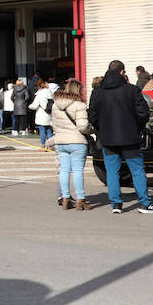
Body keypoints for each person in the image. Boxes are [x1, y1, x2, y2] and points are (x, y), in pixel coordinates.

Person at [87, 60, 153, 214]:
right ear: (122, 72)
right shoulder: (131, 90)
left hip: (108, 138)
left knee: (112, 171)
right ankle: (144, 203)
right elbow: (143, 113)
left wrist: (101, 129)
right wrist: (137, 127)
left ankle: (116, 204)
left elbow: (92, 115)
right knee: (137, 170)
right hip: (130, 137)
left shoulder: (98, 91)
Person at [50, 78, 94, 210]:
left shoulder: (55, 104)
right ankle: (80, 199)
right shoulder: (79, 105)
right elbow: (82, 126)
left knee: (64, 170)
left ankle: (65, 198)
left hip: (60, 141)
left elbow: (54, 124)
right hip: (77, 141)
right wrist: (90, 130)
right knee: (78, 171)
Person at [29, 78, 58, 146]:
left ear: (39, 87)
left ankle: (43, 145)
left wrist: (29, 106)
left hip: (41, 115)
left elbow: (34, 105)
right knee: (49, 130)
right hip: (49, 114)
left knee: (42, 130)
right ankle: (51, 145)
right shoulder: (51, 94)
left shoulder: (39, 95)